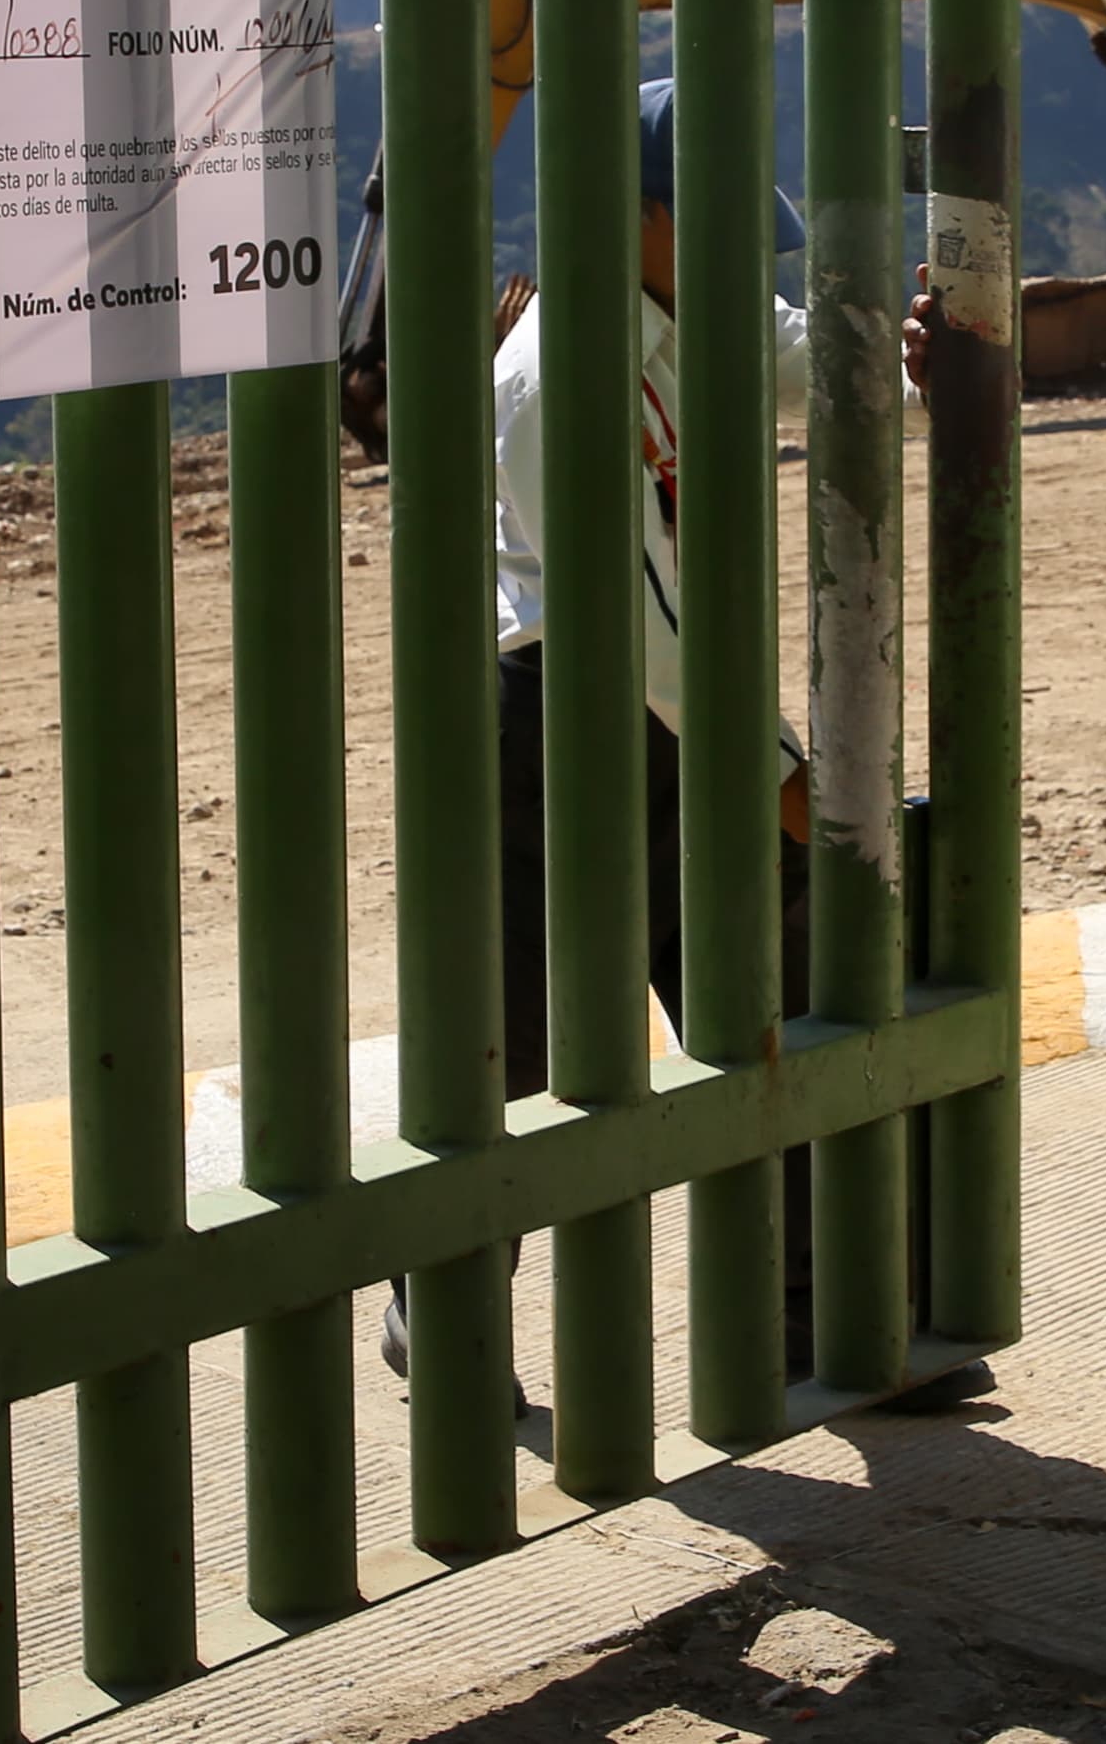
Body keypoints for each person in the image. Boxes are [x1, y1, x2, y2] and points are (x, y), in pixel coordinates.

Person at [386, 79, 928, 1396]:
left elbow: (828, 370)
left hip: (683, 713)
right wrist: (777, 770)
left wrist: (928, 362)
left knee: (781, 1004)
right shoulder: (555, 374)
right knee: (523, 1057)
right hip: (554, 728)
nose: (743, 257)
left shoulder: (693, 316)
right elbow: (630, 624)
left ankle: (825, 1326)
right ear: (633, 217)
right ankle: (441, 1323)